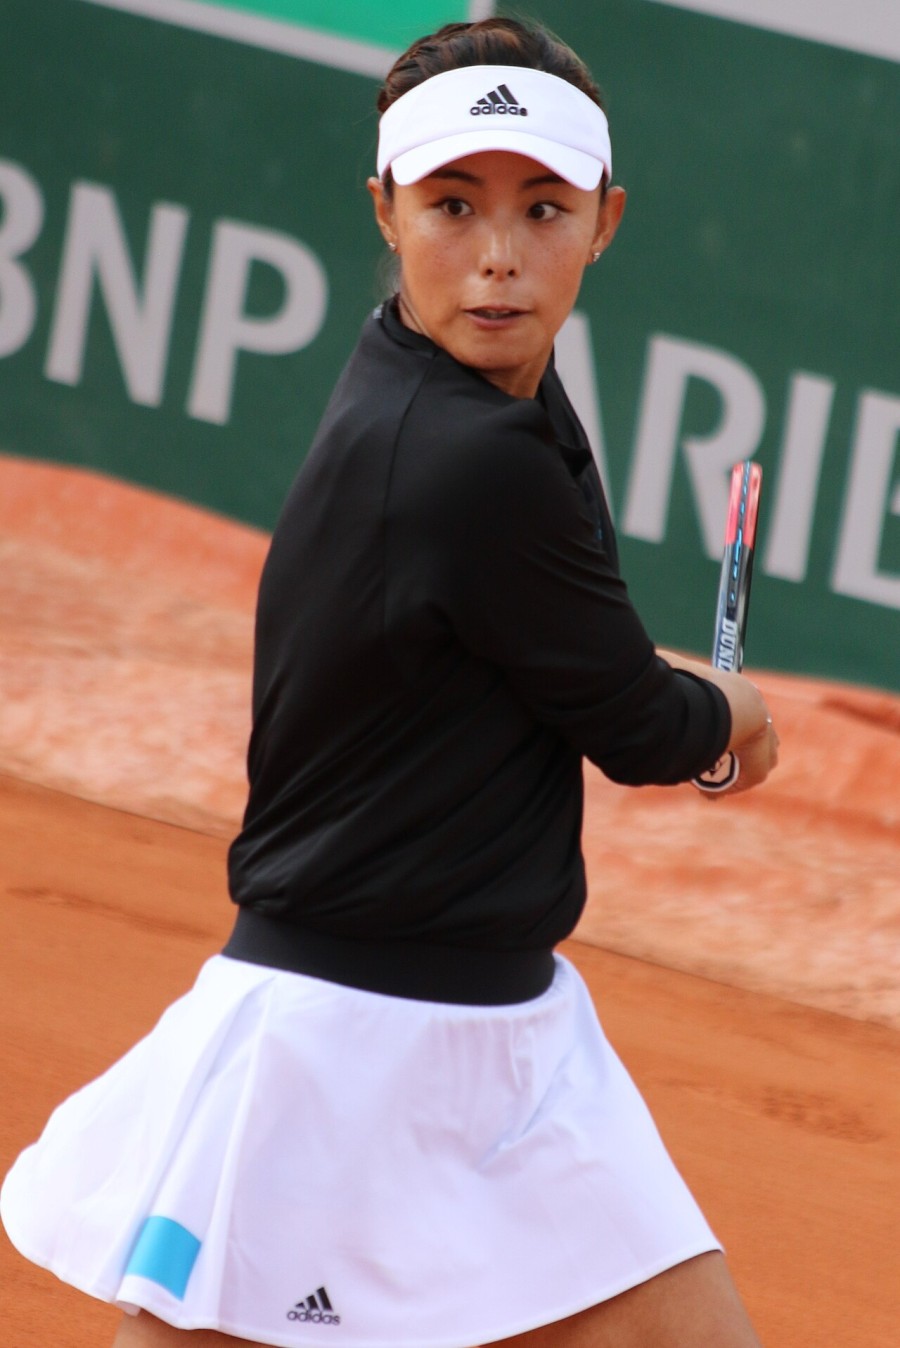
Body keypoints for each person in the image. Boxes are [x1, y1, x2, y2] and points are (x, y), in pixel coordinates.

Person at [1, 17, 778, 1348]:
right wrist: (731, 716)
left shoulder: (461, 390)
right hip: (339, 1040)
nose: (496, 255)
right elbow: (639, 724)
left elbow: (541, 644)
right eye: (452, 205)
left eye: (543, 209)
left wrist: (664, 694)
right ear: (387, 209)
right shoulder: (471, 455)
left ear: (605, 221)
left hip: (514, 1039)